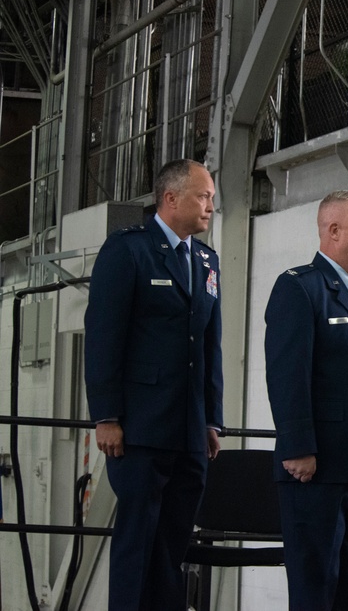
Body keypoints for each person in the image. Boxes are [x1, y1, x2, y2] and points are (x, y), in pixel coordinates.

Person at [85, 158, 223, 610]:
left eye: (212, 199)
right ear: (171, 198)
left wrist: (212, 420)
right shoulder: (128, 251)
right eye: (203, 197)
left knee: (172, 548)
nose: (210, 207)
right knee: (137, 544)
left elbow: (209, 345)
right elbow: (105, 337)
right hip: (139, 430)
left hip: (188, 432)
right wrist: (107, 416)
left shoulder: (205, 259)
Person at [264, 191, 348, 610]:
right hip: (317, 466)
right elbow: (287, 375)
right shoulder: (300, 288)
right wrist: (297, 446)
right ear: (334, 230)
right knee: (315, 581)